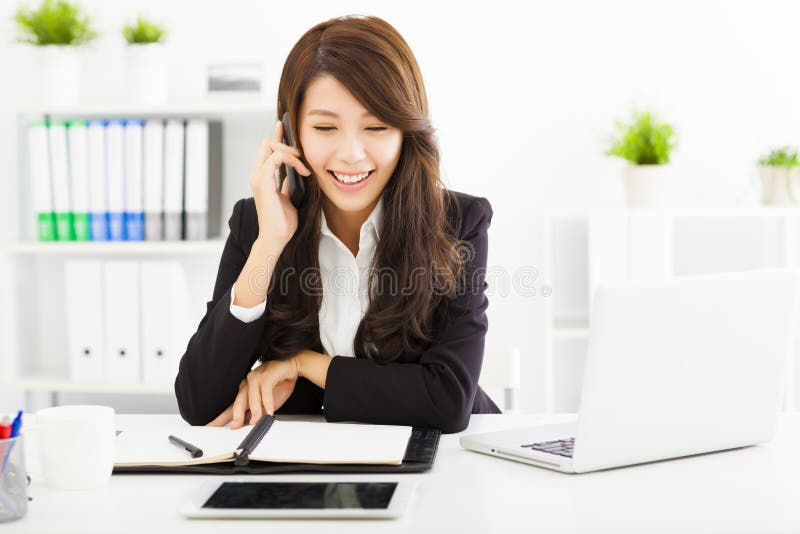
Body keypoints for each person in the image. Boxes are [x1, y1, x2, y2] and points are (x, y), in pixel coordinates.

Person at [174, 14, 500, 434]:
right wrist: (270, 244)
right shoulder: (258, 224)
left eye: (376, 127)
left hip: (445, 465)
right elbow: (199, 402)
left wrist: (305, 364)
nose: (351, 153)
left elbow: (448, 399)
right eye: (325, 127)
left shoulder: (457, 224)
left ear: (406, 132)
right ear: (290, 133)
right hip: (312, 472)